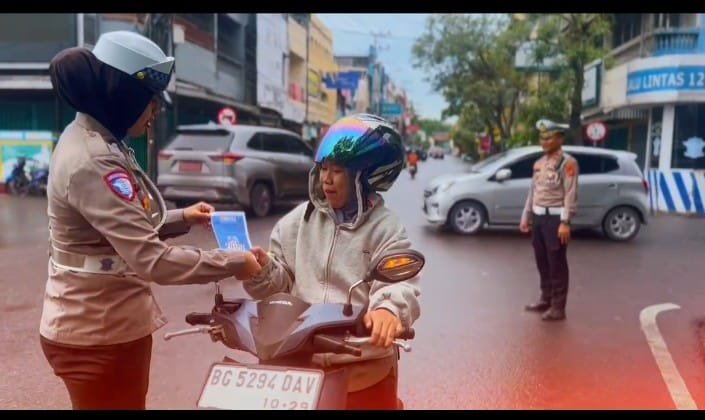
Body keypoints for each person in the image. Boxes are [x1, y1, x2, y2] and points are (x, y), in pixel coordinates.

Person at [39, 31, 261, 410]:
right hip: (97, 331)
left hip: (101, 324)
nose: (155, 111)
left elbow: (120, 227)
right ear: (126, 96)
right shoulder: (94, 158)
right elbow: (152, 261)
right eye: (151, 100)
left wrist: (182, 217)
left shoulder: (98, 139)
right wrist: (237, 262)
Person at [243, 113, 421, 410]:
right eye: (323, 168)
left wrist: (388, 310)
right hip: (297, 361)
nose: (326, 179)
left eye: (337, 171)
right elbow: (279, 284)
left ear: (366, 178)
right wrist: (261, 269)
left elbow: (399, 280)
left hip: (361, 365)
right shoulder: (297, 221)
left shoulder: (386, 228)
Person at [519, 119, 579, 322]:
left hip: (555, 218)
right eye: (542, 138)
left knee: (556, 263)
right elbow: (533, 191)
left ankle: (558, 307)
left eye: (549, 138)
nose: (544, 142)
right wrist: (526, 215)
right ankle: (546, 299)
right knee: (542, 261)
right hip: (538, 217)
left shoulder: (567, 162)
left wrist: (565, 222)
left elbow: (570, 193)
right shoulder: (539, 163)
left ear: (560, 139)